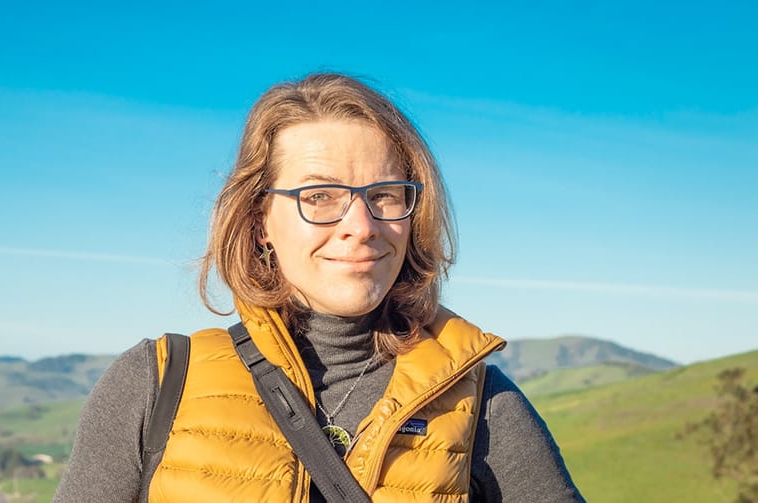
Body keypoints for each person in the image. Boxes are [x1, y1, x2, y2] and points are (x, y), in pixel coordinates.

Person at [53, 73, 585, 502]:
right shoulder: (155, 384)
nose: (362, 224)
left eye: (386, 194)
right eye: (321, 196)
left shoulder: (481, 403)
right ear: (261, 222)